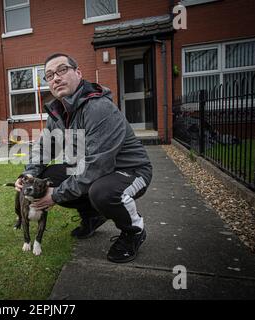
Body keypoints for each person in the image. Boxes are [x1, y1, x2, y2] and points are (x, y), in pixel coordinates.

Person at [14, 53, 152, 263]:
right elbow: (43, 149)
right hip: (96, 169)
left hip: (131, 171)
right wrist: (28, 174)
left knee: (101, 192)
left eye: (62, 70)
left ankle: (133, 230)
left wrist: (56, 195)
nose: (56, 78)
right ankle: (93, 216)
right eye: (49, 75)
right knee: (48, 176)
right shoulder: (58, 112)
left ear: (78, 73)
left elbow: (98, 165)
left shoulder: (98, 107)